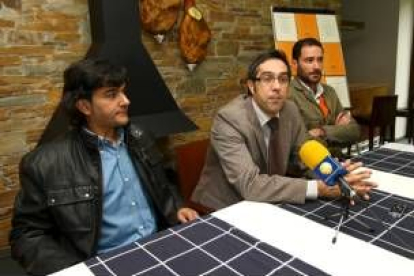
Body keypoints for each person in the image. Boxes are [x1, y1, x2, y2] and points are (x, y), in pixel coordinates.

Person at [9, 58, 198, 275]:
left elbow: (164, 185)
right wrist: (75, 271)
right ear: (84, 106)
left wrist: (177, 208)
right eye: (111, 94)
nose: (125, 100)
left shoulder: (141, 137)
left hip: (161, 246)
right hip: (105, 264)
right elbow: (27, 235)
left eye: (124, 91)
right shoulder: (44, 163)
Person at [191, 49, 374, 210]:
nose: (277, 87)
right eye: (267, 79)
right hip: (224, 207)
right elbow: (250, 185)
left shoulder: (290, 110)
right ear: (252, 86)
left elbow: (302, 157)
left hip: (268, 200)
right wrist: (318, 188)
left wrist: (334, 172)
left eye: (283, 79)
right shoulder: (229, 119)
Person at [289, 37, 360, 158]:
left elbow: (354, 131)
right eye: (309, 60)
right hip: (310, 168)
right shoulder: (288, 94)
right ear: (295, 63)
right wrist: (337, 130)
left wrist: (321, 132)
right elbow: (299, 143)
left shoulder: (329, 92)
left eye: (320, 60)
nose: (316, 66)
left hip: (338, 160)